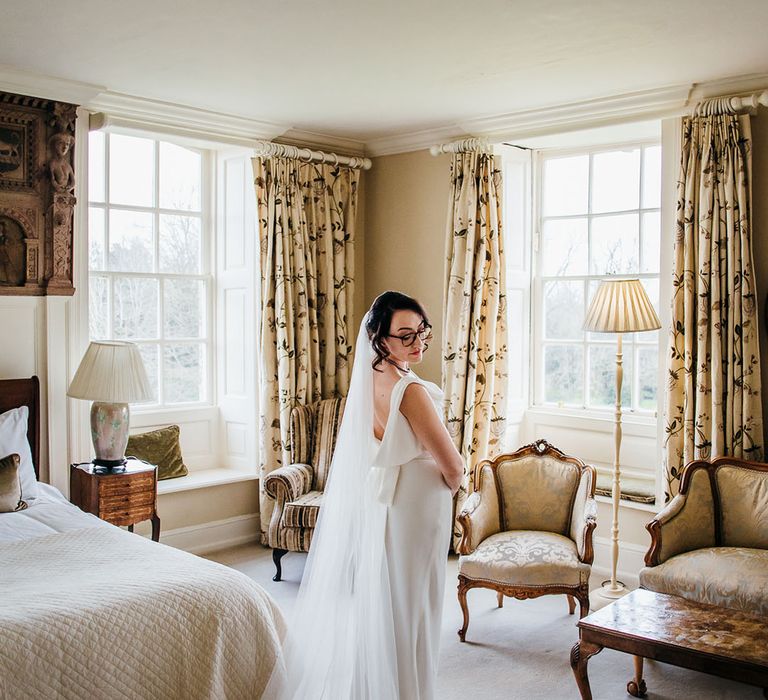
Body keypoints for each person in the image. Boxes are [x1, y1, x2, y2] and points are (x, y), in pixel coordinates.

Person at [264, 291, 464, 700]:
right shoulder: (409, 390)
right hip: (419, 506)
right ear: (381, 339)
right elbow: (454, 466)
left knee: (393, 602)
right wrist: (453, 481)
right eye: (405, 336)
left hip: (393, 503)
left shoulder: (372, 379)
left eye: (421, 331)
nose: (418, 342)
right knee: (416, 604)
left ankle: (384, 687)